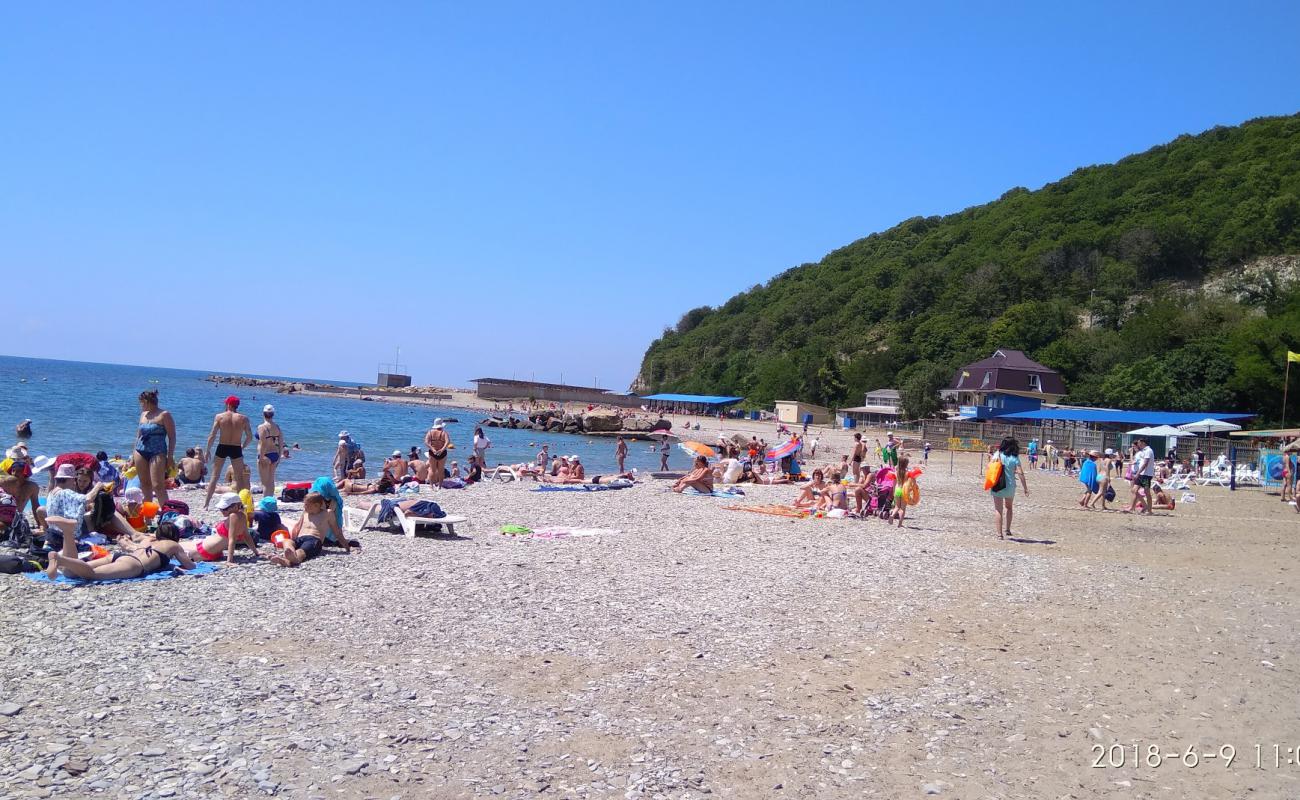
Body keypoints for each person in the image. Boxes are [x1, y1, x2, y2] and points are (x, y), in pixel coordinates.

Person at [46, 523, 194, 581]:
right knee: (91, 575)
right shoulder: (173, 544)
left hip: (118, 556)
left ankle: (67, 532)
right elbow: (189, 566)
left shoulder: (148, 539)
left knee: (71, 573)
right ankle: (60, 559)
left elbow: (134, 548)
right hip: (134, 565)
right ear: (175, 537)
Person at [270, 492, 349, 567]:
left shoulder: (327, 514)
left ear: (316, 505)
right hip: (300, 538)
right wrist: (293, 540)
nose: (304, 507)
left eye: (307, 505)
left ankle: (293, 559)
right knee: (286, 541)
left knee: (301, 551)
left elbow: (337, 532)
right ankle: (290, 555)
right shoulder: (305, 512)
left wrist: (346, 546)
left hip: (314, 540)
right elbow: (298, 527)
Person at [203, 396, 252, 510]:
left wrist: (208, 450)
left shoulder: (220, 416)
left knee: (214, 476)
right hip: (236, 447)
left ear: (228, 405)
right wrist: (243, 446)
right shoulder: (243, 418)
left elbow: (212, 435)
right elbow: (249, 436)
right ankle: (240, 505)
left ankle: (206, 505)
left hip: (222, 446)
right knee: (239, 478)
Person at [132, 389, 176, 506]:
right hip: (140, 451)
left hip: (158, 452)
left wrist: (170, 456)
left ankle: (167, 515)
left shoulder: (164, 415)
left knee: (158, 485)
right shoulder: (143, 415)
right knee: (144, 485)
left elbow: (172, 437)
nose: (140, 405)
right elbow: (138, 436)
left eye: (141, 402)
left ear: (147, 401)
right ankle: (148, 516)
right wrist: (132, 456)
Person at [187, 492, 259, 564]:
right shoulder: (242, 515)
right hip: (214, 552)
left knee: (179, 550)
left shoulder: (233, 516)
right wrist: (256, 552)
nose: (222, 511)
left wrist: (229, 561)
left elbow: (232, 539)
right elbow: (246, 536)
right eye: (221, 508)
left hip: (205, 550)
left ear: (236, 506)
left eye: (225, 508)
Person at [990, 437, 1029, 539]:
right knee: (1009, 507)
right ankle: (1007, 529)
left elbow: (990, 467)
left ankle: (999, 534)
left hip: (997, 484)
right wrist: (1025, 488)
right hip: (1010, 486)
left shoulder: (997, 454)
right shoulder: (1015, 458)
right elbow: (1020, 473)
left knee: (998, 510)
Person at [256, 404, 284, 501]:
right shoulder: (277, 427)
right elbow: (281, 443)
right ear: (273, 414)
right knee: (271, 481)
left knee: (265, 482)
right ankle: (270, 501)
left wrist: (261, 458)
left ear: (263, 414)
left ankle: (265, 502)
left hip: (265, 455)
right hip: (274, 454)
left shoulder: (262, 427)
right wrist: (279, 457)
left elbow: (263, 443)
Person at [1126, 437, 1156, 516]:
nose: (1138, 444)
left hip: (1146, 475)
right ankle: (1141, 507)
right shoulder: (1143, 451)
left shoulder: (1148, 451)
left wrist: (1137, 473)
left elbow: (1145, 464)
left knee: (1147, 492)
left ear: (1143, 443)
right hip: (1141, 474)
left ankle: (1149, 510)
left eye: (1139, 442)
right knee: (1134, 490)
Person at [425, 419, 450, 486]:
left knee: (432, 470)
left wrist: (432, 449)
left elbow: (426, 442)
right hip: (442, 452)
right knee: (441, 470)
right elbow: (447, 442)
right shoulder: (444, 433)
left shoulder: (430, 432)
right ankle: (439, 486)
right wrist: (442, 450)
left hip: (433, 452)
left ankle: (431, 486)